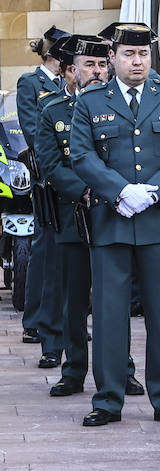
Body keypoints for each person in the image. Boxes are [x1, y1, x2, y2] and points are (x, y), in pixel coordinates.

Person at [70, 23, 160, 427]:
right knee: (108, 313)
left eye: (143, 55)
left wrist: (153, 192)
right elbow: (82, 156)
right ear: (113, 57)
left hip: (158, 221)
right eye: (128, 54)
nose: (137, 61)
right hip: (112, 220)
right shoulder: (91, 101)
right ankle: (107, 398)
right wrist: (121, 191)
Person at [33, 36, 141, 398]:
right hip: (73, 214)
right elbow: (51, 166)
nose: (96, 71)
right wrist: (88, 191)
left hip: (116, 214)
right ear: (71, 70)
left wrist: (113, 192)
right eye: (88, 65)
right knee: (74, 301)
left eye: (100, 64)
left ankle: (122, 370)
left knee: (116, 299)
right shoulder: (53, 111)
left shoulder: (123, 106)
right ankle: (74, 369)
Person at [15, 25, 67, 357]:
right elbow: (33, 130)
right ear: (54, 56)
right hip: (46, 176)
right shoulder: (29, 83)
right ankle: (33, 320)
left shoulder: (66, 84)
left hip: (70, 176)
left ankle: (64, 319)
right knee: (44, 248)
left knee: (66, 253)